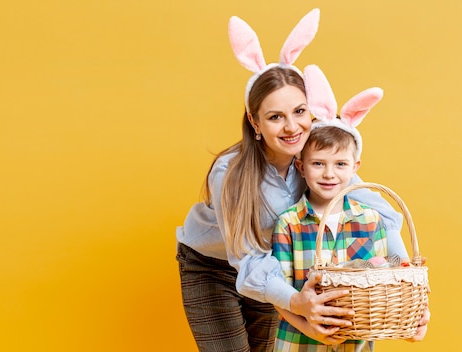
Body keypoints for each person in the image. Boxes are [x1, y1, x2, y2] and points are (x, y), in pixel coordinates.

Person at [175, 10, 416, 352]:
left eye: (300, 112)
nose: (292, 127)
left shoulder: (316, 163)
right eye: (275, 117)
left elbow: (383, 217)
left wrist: (402, 276)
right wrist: (299, 309)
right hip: (213, 268)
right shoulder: (230, 173)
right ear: (254, 122)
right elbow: (248, 261)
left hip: (273, 269)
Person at [271, 65, 429, 351]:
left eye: (340, 164)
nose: (329, 174)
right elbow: (279, 294)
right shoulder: (288, 223)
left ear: (355, 168)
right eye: (318, 163)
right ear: (301, 167)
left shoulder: (370, 220)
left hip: (354, 344)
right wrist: (309, 328)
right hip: (298, 343)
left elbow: (390, 276)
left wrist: (414, 312)